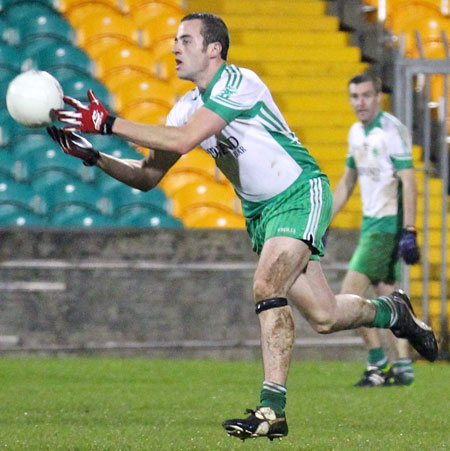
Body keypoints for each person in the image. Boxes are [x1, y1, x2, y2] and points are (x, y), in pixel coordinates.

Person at [48, 13, 437, 442]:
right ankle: (393, 311)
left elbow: (181, 141)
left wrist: (108, 124)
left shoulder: (238, 82)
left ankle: (273, 409)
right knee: (324, 317)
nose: (175, 47)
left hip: (299, 193)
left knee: (266, 284)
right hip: (262, 214)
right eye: (175, 40)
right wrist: (95, 157)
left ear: (214, 48)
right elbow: (147, 176)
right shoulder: (186, 107)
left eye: (185, 40)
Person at [331, 73, 422, 388]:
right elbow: (347, 182)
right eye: (355, 96)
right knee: (389, 298)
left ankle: (377, 364)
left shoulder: (392, 130)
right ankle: (403, 365)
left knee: (345, 299)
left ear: (379, 96)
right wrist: (322, 221)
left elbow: (409, 181)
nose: (361, 103)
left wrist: (410, 230)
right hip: (370, 223)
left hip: (385, 225)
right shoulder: (356, 132)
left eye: (366, 95)